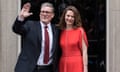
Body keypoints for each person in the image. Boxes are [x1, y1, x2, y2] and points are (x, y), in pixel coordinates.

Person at [12, 2, 60, 72]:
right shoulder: (30, 25)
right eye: (42, 12)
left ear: (52, 15)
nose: (44, 14)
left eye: (47, 12)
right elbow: (16, 29)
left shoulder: (56, 30)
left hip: (48, 69)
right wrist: (21, 17)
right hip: (29, 68)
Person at [58, 6, 88, 72]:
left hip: (76, 63)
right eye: (68, 16)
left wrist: (85, 68)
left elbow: (84, 51)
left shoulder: (80, 31)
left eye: (72, 17)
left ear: (75, 18)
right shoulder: (61, 31)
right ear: (64, 17)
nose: (70, 18)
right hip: (63, 63)